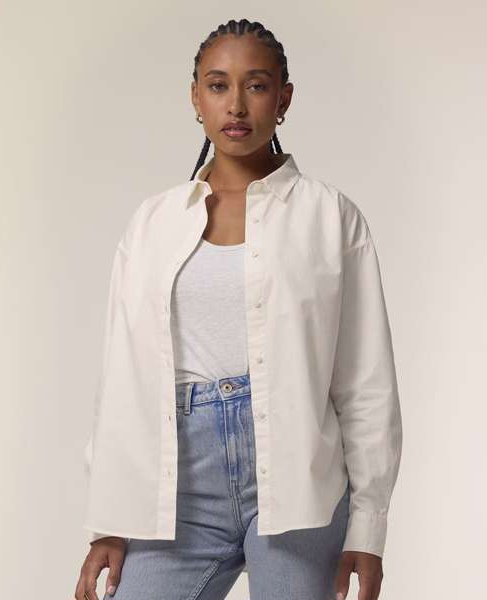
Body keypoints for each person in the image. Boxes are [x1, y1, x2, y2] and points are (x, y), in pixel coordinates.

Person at [74, 18, 403, 600]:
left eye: (256, 85)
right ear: (195, 98)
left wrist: (368, 527)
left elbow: (364, 381)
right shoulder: (153, 223)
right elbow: (122, 375)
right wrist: (110, 520)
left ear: (284, 98)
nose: (236, 105)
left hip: (299, 482)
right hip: (180, 485)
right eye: (218, 85)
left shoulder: (330, 217)